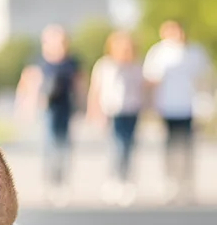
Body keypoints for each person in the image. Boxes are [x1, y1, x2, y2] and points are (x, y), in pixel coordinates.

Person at [143, 20, 213, 205]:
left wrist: (206, 102)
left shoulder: (195, 52)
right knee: (170, 147)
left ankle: (187, 185)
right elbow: (151, 80)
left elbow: (205, 77)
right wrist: (149, 105)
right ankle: (170, 184)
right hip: (166, 107)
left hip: (189, 106)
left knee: (187, 147)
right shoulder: (158, 52)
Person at [17, 25, 82, 206]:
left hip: (66, 108)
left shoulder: (71, 62)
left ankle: (62, 183)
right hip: (47, 109)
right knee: (50, 146)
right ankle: (50, 183)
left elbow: (79, 84)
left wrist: (82, 105)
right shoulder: (39, 62)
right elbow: (27, 82)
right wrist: (25, 105)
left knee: (65, 146)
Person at [87, 30, 144, 206]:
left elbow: (141, 89)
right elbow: (95, 90)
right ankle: (114, 181)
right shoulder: (105, 65)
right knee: (117, 147)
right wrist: (94, 111)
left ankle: (127, 182)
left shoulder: (135, 66)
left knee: (128, 147)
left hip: (131, 111)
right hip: (112, 111)